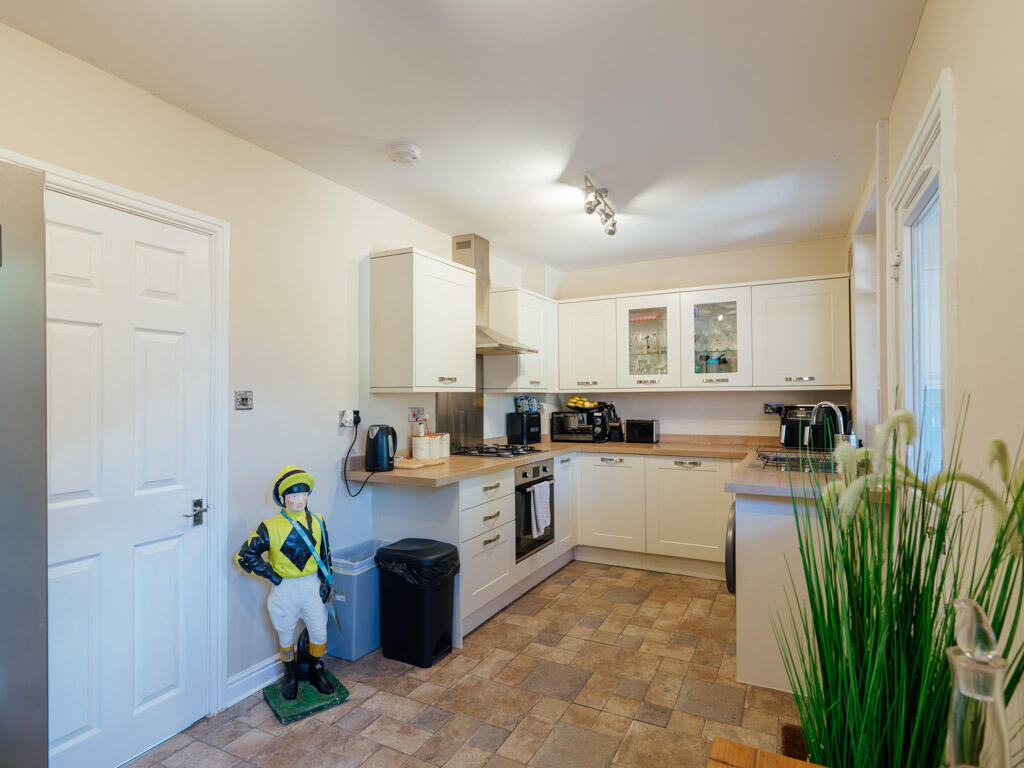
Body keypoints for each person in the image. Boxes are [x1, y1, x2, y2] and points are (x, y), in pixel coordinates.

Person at [236, 466, 334, 699]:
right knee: (285, 635)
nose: (298, 500)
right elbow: (245, 556)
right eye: (292, 495)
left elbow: (326, 553)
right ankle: (289, 676)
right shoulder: (270, 526)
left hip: (311, 586)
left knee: (319, 633)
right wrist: (272, 575)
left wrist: (327, 580)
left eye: (303, 494)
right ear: (282, 499)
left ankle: (317, 673)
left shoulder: (318, 521)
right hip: (285, 589)